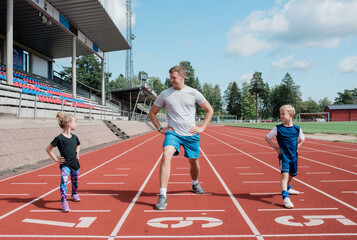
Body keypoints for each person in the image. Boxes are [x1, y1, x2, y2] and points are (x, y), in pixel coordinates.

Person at [149, 65, 214, 210]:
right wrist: (160, 128)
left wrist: (202, 127)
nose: (171, 80)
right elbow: (152, 113)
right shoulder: (165, 94)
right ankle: (163, 195)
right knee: (166, 154)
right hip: (173, 134)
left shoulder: (194, 93)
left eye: (174, 77)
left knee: (194, 162)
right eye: (170, 77)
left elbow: (209, 110)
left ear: (182, 76)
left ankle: (195, 183)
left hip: (191, 134)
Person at [265, 105, 305, 209]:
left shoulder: (297, 128)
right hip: (284, 157)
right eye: (280, 114)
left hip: (294, 156)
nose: (281, 116)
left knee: (293, 174)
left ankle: (288, 188)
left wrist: (297, 147)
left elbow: (302, 138)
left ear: (291, 115)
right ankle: (285, 197)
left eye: (283, 114)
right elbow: (267, 138)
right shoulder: (278, 128)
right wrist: (276, 148)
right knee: (284, 176)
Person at [46, 112, 81, 213]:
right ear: (69, 124)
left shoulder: (75, 137)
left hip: (75, 164)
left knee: (75, 181)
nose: (76, 124)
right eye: (75, 122)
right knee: (64, 182)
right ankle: (64, 202)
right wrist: (57, 160)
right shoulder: (59, 138)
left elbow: (78, 145)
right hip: (65, 165)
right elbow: (48, 149)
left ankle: (74, 194)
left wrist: (77, 153)